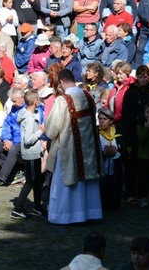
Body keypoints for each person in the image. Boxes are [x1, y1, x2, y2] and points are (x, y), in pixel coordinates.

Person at [45, 69, 102, 224]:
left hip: (69, 148)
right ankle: (90, 213)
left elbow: (52, 129)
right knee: (86, 185)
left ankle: (65, 216)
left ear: (62, 82)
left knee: (67, 184)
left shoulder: (62, 100)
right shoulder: (89, 97)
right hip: (88, 148)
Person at [10, 89, 47, 219]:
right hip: (31, 154)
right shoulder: (29, 119)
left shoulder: (27, 114)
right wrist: (40, 132)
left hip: (34, 153)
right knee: (31, 181)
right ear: (36, 101)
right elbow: (28, 139)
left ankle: (37, 207)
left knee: (37, 181)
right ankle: (17, 209)